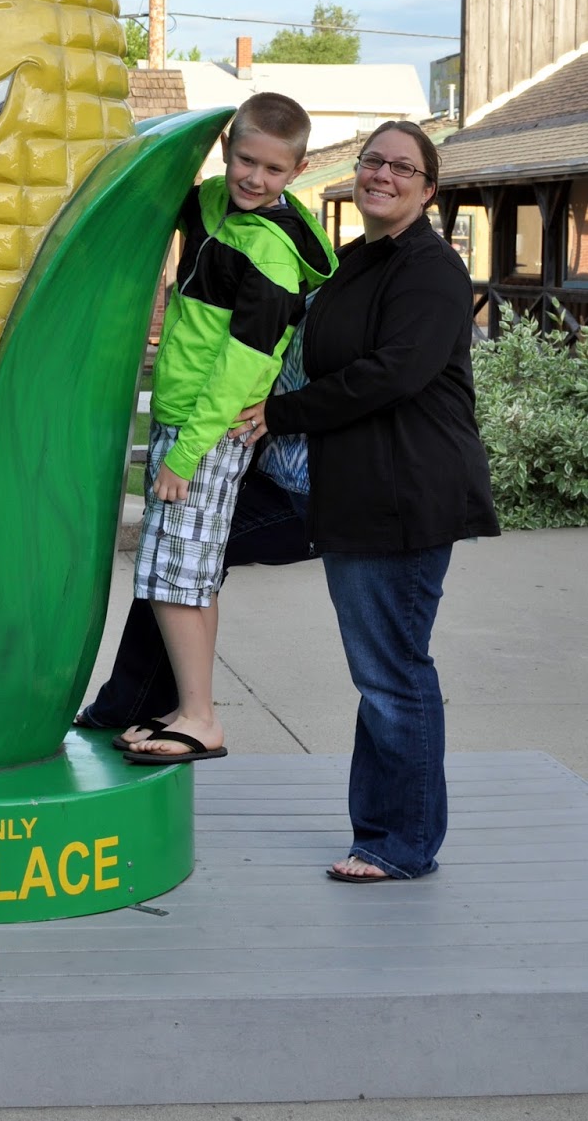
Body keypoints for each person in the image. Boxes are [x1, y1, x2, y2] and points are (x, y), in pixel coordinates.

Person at [238, 120, 499, 881]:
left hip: (405, 495)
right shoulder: (360, 260)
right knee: (381, 672)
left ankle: (401, 842)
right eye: (373, 161)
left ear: (428, 188)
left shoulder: (429, 270)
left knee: (393, 673)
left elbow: (392, 373)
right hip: (355, 492)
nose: (382, 174)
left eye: (402, 166)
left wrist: (281, 415)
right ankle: (379, 831)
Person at [123, 92, 336, 764]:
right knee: (183, 570)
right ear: (226, 151)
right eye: (246, 160)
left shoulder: (271, 257)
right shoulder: (213, 201)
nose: (254, 178)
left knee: (175, 577)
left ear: (296, 172)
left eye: (273, 170)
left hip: (205, 431)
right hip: (183, 417)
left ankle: (201, 717)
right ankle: (184, 706)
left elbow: (239, 370)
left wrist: (185, 455)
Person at [74, 312, 314, 740]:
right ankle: (172, 707)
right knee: (177, 559)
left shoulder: (282, 262)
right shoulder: (333, 273)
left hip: (311, 491)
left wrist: (280, 412)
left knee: (175, 560)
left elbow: (385, 378)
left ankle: (187, 714)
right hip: (273, 470)